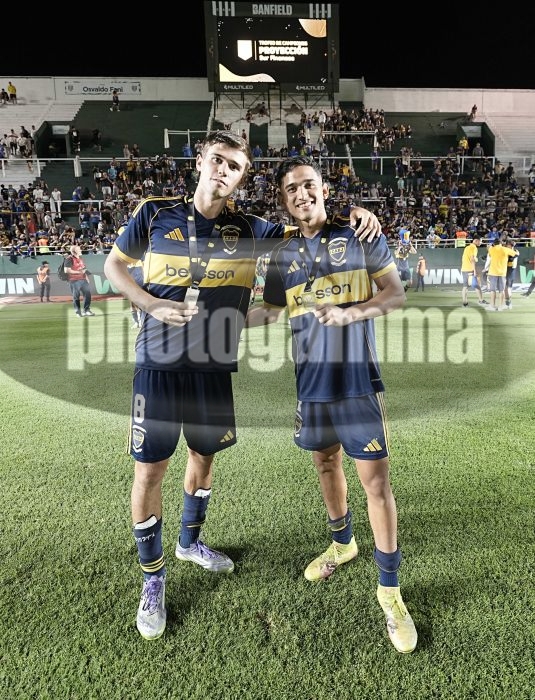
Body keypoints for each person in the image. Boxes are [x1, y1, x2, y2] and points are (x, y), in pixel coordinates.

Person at [103, 131, 382, 641]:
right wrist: (150, 304)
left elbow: (310, 219)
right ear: (201, 162)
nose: (223, 171)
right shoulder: (154, 213)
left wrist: (357, 212)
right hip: (157, 364)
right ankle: (153, 579)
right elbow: (114, 266)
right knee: (150, 471)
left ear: (241, 178)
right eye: (217, 160)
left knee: (203, 458)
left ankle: (189, 542)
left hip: (213, 367)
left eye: (234, 166)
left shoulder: (252, 229)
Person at [245, 155, 417, 654]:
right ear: (284, 201)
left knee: (376, 483)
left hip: (357, 380)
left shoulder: (358, 233)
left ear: (323, 189)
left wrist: (351, 313)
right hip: (311, 383)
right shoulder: (283, 253)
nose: (301, 194)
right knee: (325, 462)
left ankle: (390, 592)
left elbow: (395, 294)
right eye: (291, 189)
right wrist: (216, 316)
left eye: (308, 185)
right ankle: (343, 544)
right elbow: (270, 312)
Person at [486, 238, 519, 311]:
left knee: (492, 290)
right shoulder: (505, 249)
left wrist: (491, 246)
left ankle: (492, 306)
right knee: (502, 290)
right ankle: (501, 306)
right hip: (502, 273)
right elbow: (516, 254)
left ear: (494, 244)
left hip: (493, 272)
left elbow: (489, 249)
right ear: (501, 243)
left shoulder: (491, 249)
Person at [64, 245, 95, 317]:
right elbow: (66, 270)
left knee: (87, 295)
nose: (80, 250)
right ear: (74, 251)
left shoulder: (80, 258)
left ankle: (86, 310)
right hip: (74, 280)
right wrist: (79, 272)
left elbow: (83, 269)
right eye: (79, 249)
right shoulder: (69, 259)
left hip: (83, 279)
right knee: (76, 296)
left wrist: (86, 277)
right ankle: (78, 312)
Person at [461, 236, 488, 307]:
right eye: (480, 241)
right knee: (476, 285)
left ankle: (465, 303)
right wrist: (474, 270)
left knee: (465, 286)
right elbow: (472, 259)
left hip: (464, 269)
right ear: (476, 240)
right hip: (470, 269)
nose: (481, 242)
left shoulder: (467, 247)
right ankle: (481, 300)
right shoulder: (474, 248)